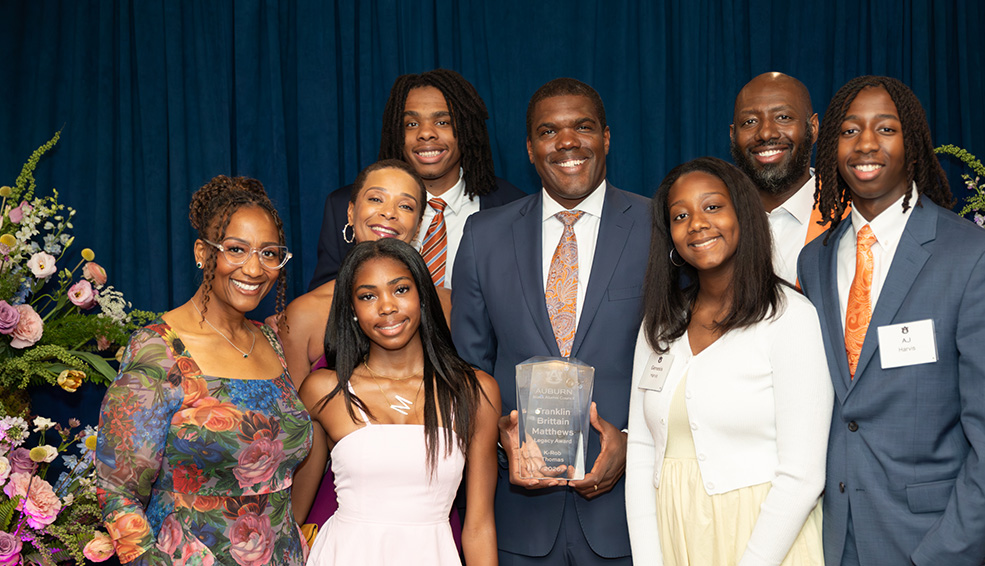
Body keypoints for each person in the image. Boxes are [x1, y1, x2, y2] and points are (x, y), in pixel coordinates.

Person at [796, 76, 985, 565]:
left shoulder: (976, 258)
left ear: (913, 145)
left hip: (946, 543)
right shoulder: (813, 261)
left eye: (885, 128)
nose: (866, 143)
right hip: (842, 542)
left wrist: (943, 555)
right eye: (849, 130)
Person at [452, 77, 649, 565]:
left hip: (627, 517)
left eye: (582, 126)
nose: (566, 142)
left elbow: (686, 365)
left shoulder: (659, 225)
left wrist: (630, 444)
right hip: (520, 521)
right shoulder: (484, 236)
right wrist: (501, 434)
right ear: (529, 146)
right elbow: (468, 369)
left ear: (606, 136)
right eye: (548, 130)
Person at [625, 156, 832, 565]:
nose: (697, 223)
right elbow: (643, 449)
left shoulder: (790, 316)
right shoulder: (661, 323)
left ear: (744, 214)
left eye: (713, 207)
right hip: (676, 538)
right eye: (680, 215)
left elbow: (803, 474)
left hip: (767, 542)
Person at [96, 176, 310, 565]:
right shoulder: (159, 350)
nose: (254, 268)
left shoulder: (272, 342)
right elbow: (117, 493)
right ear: (202, 252)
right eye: (236, 249)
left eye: (269, 253)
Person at [296, 238, 500, 565]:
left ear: (422, 295)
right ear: (352, 310)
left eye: (400, 290)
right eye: (368, 296)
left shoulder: (475, 391)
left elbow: (479, 527)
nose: (387, 306)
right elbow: (293, 515)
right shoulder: (323, 390)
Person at [308, 69, 524, 291]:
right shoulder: (344, 205)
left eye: (442, 122)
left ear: (468, 129)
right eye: (411, 124)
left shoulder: (514, 207)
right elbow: (323, 303)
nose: (426, 133)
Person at [281, 159, 426, 386]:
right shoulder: (302, 315)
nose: (389, 213)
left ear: (418, 226)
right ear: (350, 212)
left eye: (406, 206)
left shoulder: (446, 305)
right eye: (376, 199)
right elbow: (297, 418)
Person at [730, 72, 826, 285]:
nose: (766, 133)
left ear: (813, 127)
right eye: (750, 121)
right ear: (733, 135)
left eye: (783, 117)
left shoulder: (850, 214)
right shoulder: (715, 222)